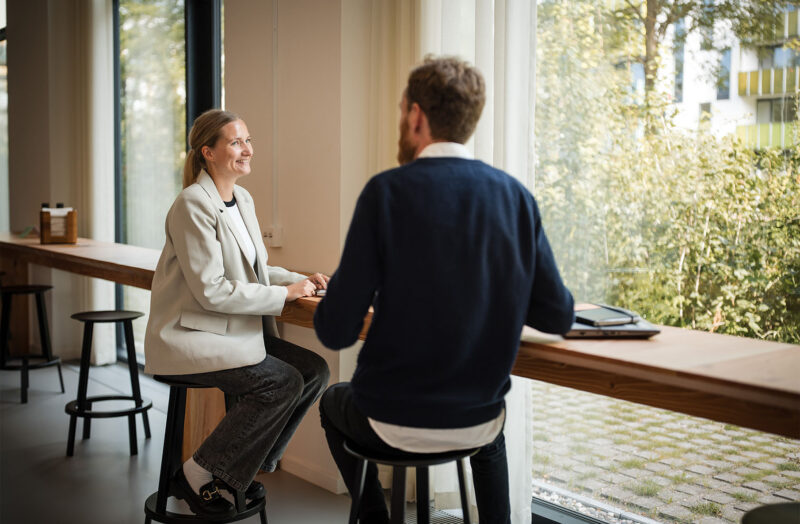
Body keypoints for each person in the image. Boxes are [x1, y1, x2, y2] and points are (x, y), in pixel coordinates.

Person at [314, 56, 575, 524]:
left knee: (332, 401)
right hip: (475, 418)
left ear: (416, 115)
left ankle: (374, 519)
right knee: (489, 427)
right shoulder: (516, 197)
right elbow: (557, 316)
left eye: (401, 111)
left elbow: (335, 332)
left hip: (389, 418)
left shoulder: (386, 193)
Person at [144, 109, 330, 518]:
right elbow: (212, 290)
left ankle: (234, 469)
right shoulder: (192, 205)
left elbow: (253, 269)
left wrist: (303, 279)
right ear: (208, 152)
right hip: (193, 334)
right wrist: (284, 295)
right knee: (280, 384)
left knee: (315, 371)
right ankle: (195, 474)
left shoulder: (241, 199)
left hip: (230, 330)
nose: (247, 150)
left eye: (248, 140)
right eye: (235, 142)